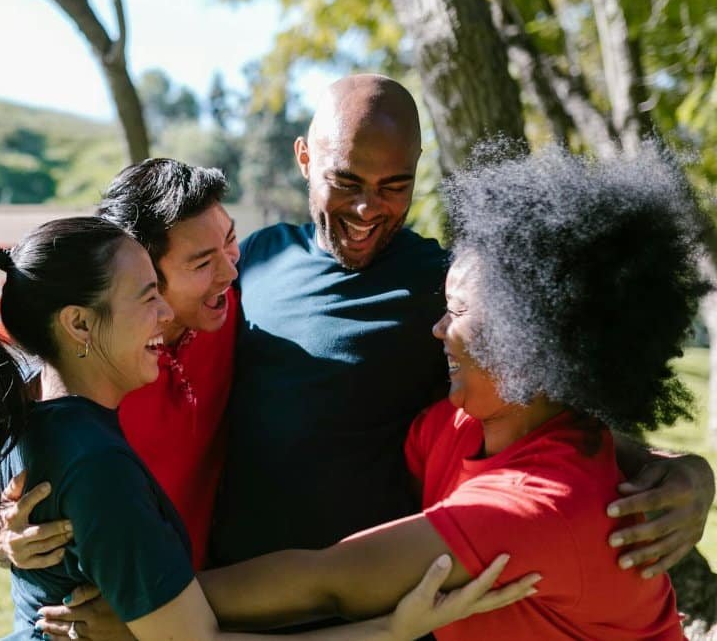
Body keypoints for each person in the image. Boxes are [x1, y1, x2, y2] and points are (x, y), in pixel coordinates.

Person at [35, 74, 715, 639]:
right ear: (305, 158)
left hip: (380, 609)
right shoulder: (247, 268)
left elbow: (553, 418)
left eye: (394, 185)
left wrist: (684, 471)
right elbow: (123, 366)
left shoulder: (461, 288)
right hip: (233, 597)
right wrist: (4, 513)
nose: (367, 208)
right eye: (347, 179)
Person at [0, 216, 536, 640]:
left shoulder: (24, 414)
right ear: (78, 324)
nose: (165, 313)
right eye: (147, 296)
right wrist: (388, 630)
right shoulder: (96, 463)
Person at [196, 144, 701, 639]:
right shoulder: (458, 427)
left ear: (526, 336)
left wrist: (159, 604)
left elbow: (330, 584)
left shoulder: (539, 507)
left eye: (457, 312)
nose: (437, 328)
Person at [0, 159, 241, 572]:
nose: (230, 270)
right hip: (122, 601)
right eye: (202, 263)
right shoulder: (66, 381)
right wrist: (0, 540)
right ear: (140, 270)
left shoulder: (233, 306)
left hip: (206, 591)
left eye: (231, 241)